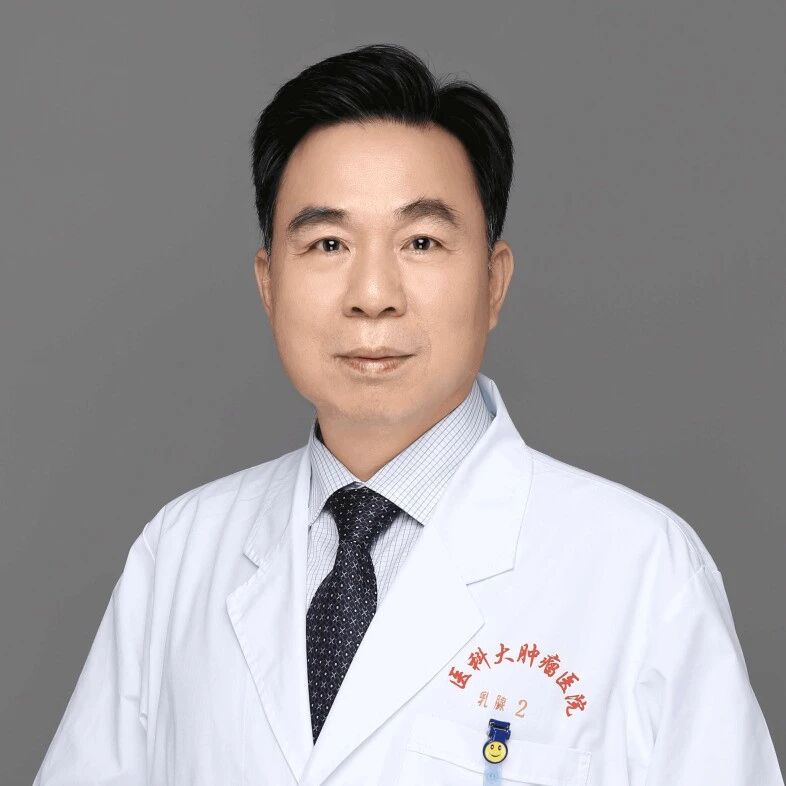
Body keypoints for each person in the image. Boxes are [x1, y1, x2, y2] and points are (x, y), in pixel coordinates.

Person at [33, 43, 784, 786]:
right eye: (328, 243)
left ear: (493, 282)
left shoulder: (643, 573)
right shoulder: (180, 554)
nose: (373, 295)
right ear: (268, 285)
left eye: (421, 242)